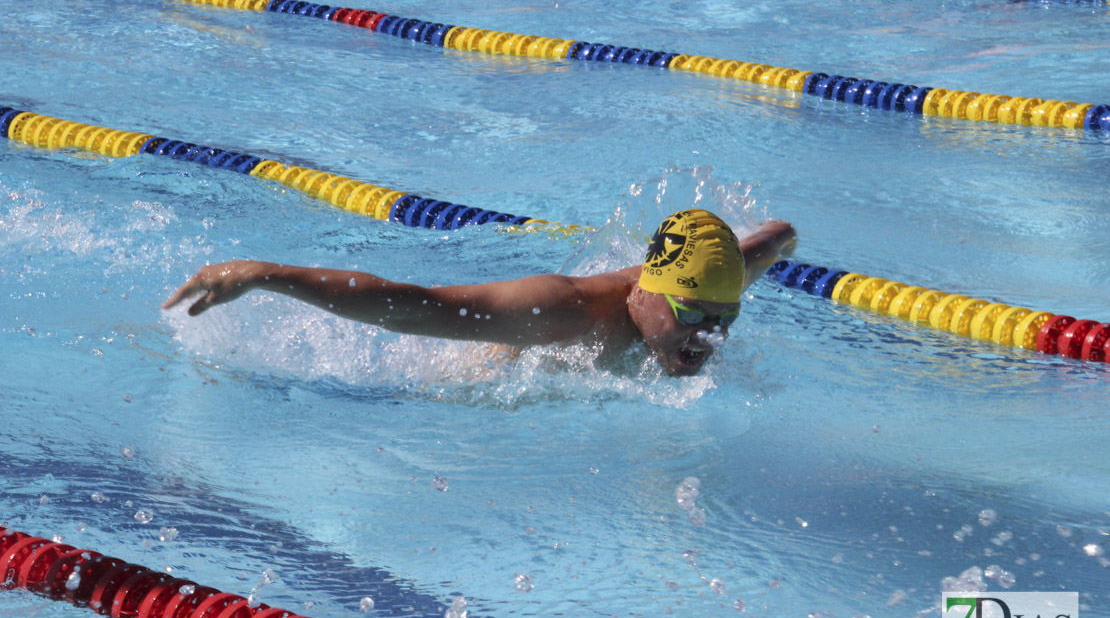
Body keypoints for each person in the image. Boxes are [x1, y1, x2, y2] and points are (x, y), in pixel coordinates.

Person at [163, 209, 796, 376]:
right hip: (464, 382)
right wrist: (266, 274)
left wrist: (777, 238)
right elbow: (411, 304)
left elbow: (777, 236)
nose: (712, 334)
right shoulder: (563, 311)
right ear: (649, 293)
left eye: (726, 316)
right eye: (692, 314)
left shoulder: (715, 286)